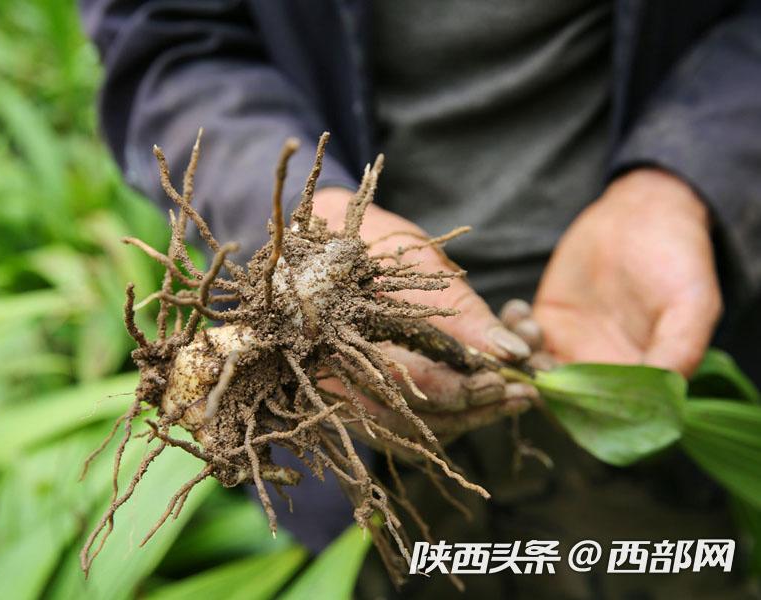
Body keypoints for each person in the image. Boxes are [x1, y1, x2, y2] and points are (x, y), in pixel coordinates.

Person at [79, 1, 761, 597]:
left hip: (629, 354)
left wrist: (686, 182)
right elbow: (170, 41)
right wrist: (296, 209)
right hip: (361, 441)